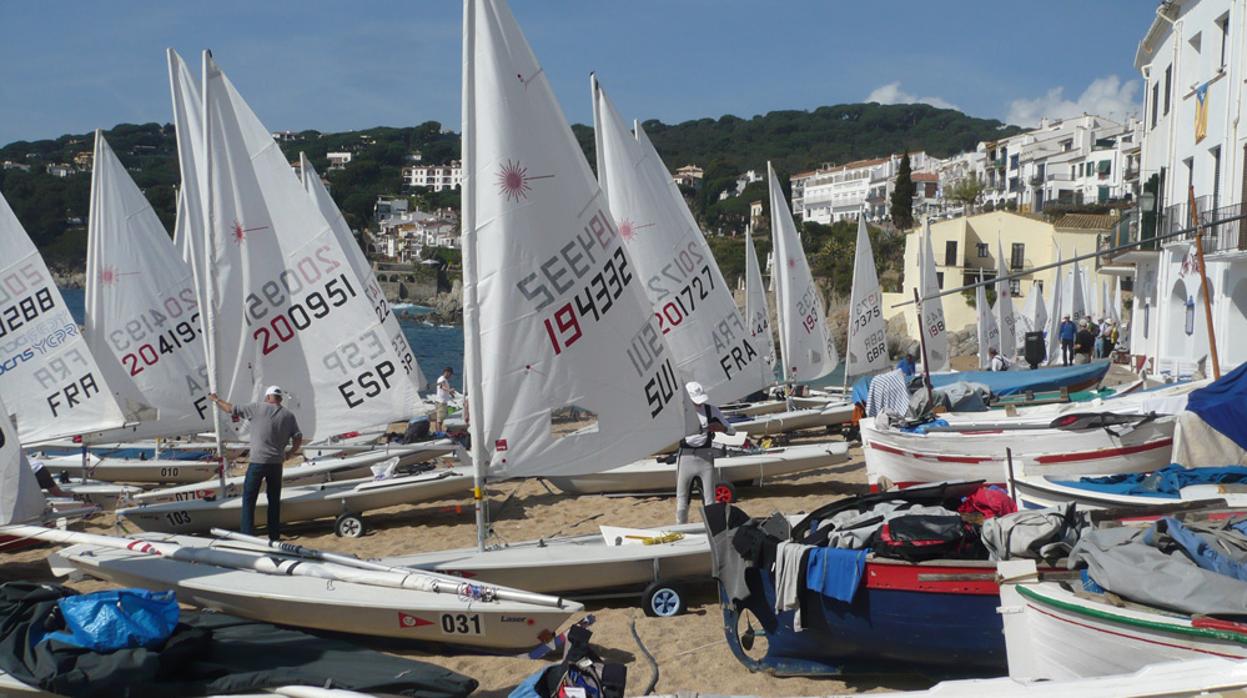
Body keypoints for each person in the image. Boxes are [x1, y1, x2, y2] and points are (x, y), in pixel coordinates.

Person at [208, 386, 302, 541]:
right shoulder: (289, 415)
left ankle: (247, 536)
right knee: (273, 501)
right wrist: (290, 454)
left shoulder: (257, 407)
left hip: (258, 462)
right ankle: (274, 536)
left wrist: (216, 399)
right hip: (276, 464)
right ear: (280, 398)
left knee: (249, 499)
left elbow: (230, 409)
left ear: (267, 397)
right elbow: (298, 437)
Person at [676, 381, 735, 524]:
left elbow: (732, 431)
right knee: (682, 501)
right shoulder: (680, 412)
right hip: (685, 458)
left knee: (710, 501)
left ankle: (713, 530)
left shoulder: (711, 410)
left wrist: (721, 428)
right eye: (695, 402)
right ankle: (681, 529)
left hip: (706, 458)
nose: (699, 404)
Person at [432, 367, 458, 434]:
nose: (450, 376)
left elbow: (445, 388)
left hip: (441, 401)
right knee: (439, 420)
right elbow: (442, 386)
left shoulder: (444, 380)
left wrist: (451, 394)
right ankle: (439, 433)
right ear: (447, 372)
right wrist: (450, 390)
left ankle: (438, 432)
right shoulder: (442, 379)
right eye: (450, 374)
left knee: (439, 419)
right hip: (441, 402)